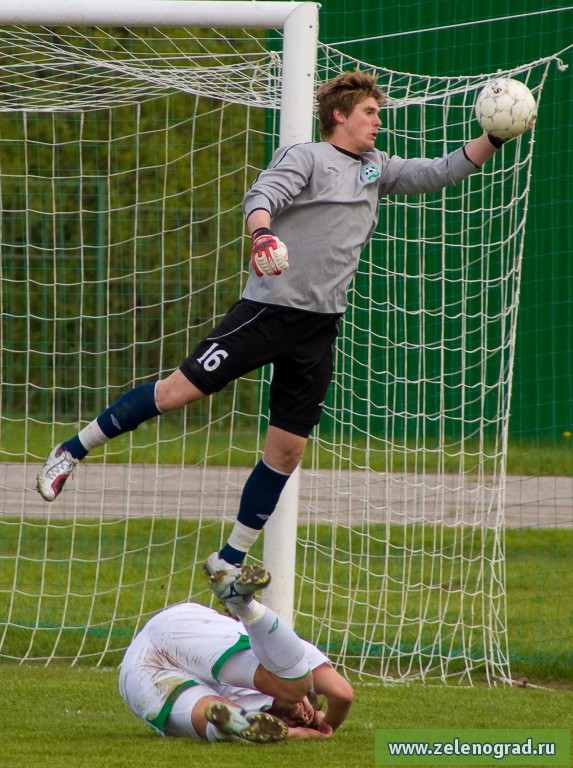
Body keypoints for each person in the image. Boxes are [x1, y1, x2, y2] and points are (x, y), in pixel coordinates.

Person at [37, 69, 505, 574]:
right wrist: (263, 236)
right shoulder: (306, 157)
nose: (378, 121)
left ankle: (229, 560)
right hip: (267, 313)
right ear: (339, 115)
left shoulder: (378, 168)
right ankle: (71, 450)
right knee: (174, 394)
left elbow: (442, 171)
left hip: (319, 328)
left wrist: (495, 135)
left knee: (286, 453)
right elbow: (260, 199)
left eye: (378, 113)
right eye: (369, 112)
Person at [118, 564, 354, 743]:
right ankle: (244, 605)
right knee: (295, 687)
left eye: (299, 722)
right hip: (181, 630)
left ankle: (231, 726)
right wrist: (326, 726)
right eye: (308, 713)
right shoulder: (291, 655)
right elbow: (342, 694)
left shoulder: (260, 715)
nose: (303, 718)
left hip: (138, 674)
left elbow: (274, 725)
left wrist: (293, 732)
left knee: (214, 717)